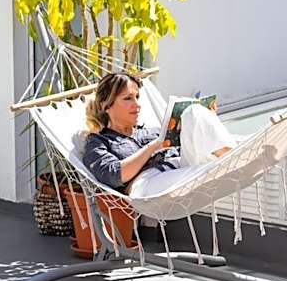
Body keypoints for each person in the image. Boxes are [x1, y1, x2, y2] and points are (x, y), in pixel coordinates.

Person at [83, 72, 235, 192]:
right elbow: (114, 174)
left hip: (179, 167)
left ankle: (232, 158)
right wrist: (153, 146)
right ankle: (231, 162)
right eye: (128, 98)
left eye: (137, 97)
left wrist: (205, 119)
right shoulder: (98, 142)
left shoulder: (151, 132)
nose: (137, 104)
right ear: (105, 105)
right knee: (206, 170)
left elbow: (192, 146)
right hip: (147, 184)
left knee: (193, 111)